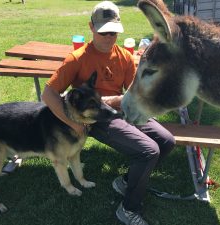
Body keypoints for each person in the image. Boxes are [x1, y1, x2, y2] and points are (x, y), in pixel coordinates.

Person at [41, 1, 175, 225]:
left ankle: (126, 182)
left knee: (167, 141)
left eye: (113, 32)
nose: (108, 37)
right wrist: (74, 124)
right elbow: (49, 94)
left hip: (121, 111)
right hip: (95, 119)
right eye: (103, 32)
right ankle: (129, 209)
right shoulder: (77, 58)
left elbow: (134, 92)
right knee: (148, 151)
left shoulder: (123, 56)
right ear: (91, 27)